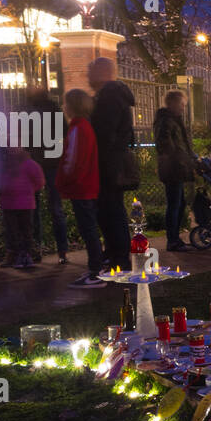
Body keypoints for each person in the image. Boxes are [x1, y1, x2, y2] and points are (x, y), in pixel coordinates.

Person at [88, 57, 137, 272]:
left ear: (102, 72)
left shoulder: (108, 98)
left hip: (107, 163)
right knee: (112, 209)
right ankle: (117, 253)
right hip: (113, 161)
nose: (88, 76)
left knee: (110, 210)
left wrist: (98, 157)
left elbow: (104, 133)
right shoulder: (118, 97)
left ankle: (118, 256)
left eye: (91, 71)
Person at [56, 88, 106, 287]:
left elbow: (73, 160)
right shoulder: (84, 127)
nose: (63, 107)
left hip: (81, 186)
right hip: (87, 185)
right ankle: (96, 267)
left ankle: (95, 270)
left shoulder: (78, 128)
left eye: (65, 103)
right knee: (89, 228)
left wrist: (63, 180)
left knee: (88, 229)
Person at [26, 87, 69, 265]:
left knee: (33, 209)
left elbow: (26, 137)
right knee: (56, 209)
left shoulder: (29, 111)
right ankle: (62, 251)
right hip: (53, 163)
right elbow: (64, 135)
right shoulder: (55, 110)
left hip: (36, 162)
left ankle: (36, 249)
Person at [153, 89, 198, 251]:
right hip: (173, 168)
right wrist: (179, 158)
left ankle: (175, 238)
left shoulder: (173, 120)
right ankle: (172, 240)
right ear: (171, 103)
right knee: (175, 204)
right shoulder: (167, 121)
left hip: (176, 167)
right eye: (181, 104)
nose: (182, 108)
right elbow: (165, 144)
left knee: (179, 203)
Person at [0, 146, 46, 268]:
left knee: (21, 231)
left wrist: (29, 191)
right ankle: (19, 254)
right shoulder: (9, 164)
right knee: (16, 231)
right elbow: (39, 181)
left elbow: (39, 180)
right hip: (15, 203)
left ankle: (23, 254)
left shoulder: (25, 164)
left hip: (19, 203)